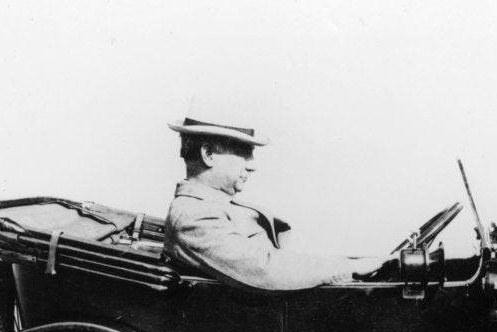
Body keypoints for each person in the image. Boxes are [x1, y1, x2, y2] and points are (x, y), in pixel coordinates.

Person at [164, 102, 392, 290]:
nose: (252, 166)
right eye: (244, 153)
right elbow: (264, 268)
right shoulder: (194, 215)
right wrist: (347, 267)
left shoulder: (212, 206)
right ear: (208, 154)